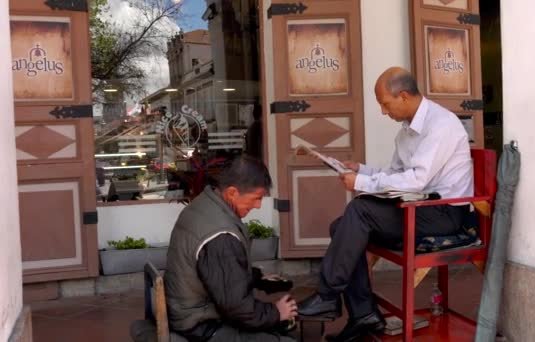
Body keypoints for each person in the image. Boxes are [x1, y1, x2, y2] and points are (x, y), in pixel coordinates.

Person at [297, 67, 474, 341]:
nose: (383, 111)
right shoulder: (406, 132)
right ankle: (363, 314)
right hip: (417, 207)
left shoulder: (442, 125)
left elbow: (416, 180)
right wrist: (363, 171)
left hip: (444, 213)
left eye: (385, 104)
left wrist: (360, 184)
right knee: (342, 226)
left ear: (403, 96)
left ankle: (328, 295)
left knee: (359, 210)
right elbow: (396, 175)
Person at [164, 155, 298, 342]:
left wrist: (255, 277)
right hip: (199, 325)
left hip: (187, 309)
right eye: (256, 198)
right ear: (232, 192)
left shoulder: (205, 202)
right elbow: (238, 310)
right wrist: (276, 312)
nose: (258, 206)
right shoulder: (221, 236)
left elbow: (217, 271)